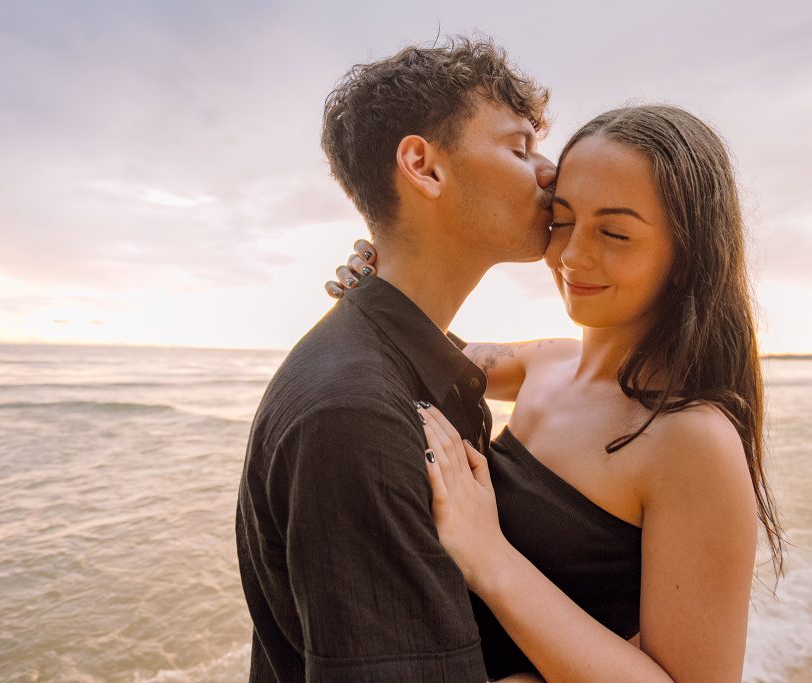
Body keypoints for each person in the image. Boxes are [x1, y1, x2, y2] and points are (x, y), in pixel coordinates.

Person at [326, 105, 786, 681]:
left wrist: (488, 555)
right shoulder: (545, 364)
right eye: (562, 220)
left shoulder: (692, 441)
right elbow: (424, 352)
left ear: (687, 255)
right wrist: (378, 288)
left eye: (614, 232)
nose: (572, 256)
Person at [235, 37, 556, 682]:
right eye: (519, 148)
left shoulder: (399, 362)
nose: (549, 171)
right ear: (424, 166)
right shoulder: (356, 415)